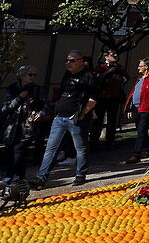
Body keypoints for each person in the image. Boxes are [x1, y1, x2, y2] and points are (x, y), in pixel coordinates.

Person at [30, 50, 98, 189]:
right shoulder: (66, 75)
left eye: (72, 60)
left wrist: (82, 113)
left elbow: (93, 99)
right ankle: (41, 177)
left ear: (81, 61)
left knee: (80, 147)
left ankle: (80, 175)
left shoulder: (88, 76)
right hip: (60, 117)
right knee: (51, 148)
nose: (68, 63)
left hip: (77, 119)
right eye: (67, 60)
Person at [1, 65, 45, 181]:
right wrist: (20, 97)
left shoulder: (36, 89)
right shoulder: (13, 88)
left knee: (20, 150)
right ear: (22, 76)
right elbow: (6, 108)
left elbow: (44, 104)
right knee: (10, 150)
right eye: (30, 74)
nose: (33, 77)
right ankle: (19, 178)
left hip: (27, 124)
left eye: (34, 75)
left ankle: (10, 176)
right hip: (12, 124)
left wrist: (41, 113)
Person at [125, 57, 149, 163]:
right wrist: (130, 107)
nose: (138, 68)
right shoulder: (140, 78)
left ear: (146, 67)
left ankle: (136, 155)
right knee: (140, 130)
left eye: (140, 66)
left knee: (141, 131)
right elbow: (134, 93)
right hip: (138, 108)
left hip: (146, 108)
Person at [89, 49, 128, 149]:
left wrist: (119, 78)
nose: (115, 56)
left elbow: (126, 78)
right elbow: (96, 78)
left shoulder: (120, 67)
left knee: (112, 120)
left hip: (114, 97)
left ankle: (110, 142)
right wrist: (108, 73)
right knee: (98, 120)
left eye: (116, 54)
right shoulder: (100, 67)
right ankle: (94, 142)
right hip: (101, 98)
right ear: (106, 57)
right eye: (113, 54)